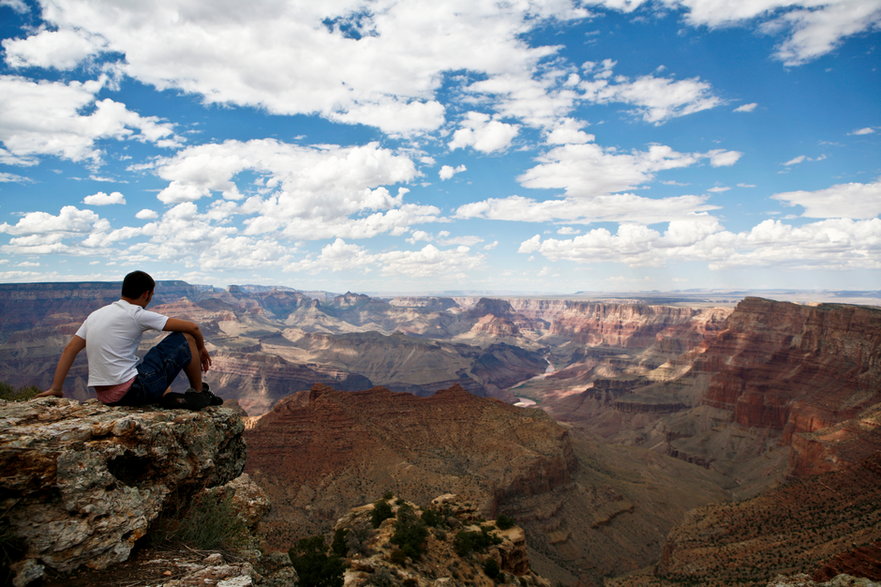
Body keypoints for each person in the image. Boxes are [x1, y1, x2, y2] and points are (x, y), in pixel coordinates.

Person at [35, 270, 222, 410]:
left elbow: (70, 350)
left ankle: (168, 397)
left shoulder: (95, 315)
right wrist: (201, 348)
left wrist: (56, 388)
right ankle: (198, 393)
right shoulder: (136, 313)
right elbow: (193, 328)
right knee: (185, 338)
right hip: (132, 392)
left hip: (106, 397)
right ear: (147, 294)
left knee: (150, 358)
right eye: (151, 295)